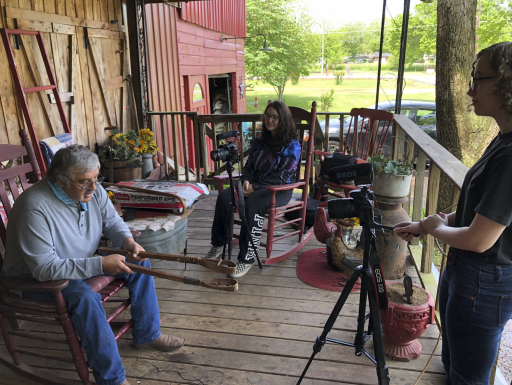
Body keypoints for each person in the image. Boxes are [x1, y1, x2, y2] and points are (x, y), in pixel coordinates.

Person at [2, 145, 185, 385]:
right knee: (84, 297)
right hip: (37, 281)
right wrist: (100, 264)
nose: (94, 187)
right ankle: (112, 379)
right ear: (60, 180)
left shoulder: (91, 190)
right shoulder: (34, 207)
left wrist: (127, 241)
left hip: (80, 263)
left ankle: (147, 333)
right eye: (84, 182)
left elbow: (111, 221)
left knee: (138, 262)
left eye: (96, 178)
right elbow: (44, 269)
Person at [394, 42, 512, 385]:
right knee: (454, 361)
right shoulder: (501, 140)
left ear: (504, 83)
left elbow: (479, 239)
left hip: (484, 281)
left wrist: (432, 228)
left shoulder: (510, 156)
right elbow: (478, 213)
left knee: (467, 376)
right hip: (468, 273)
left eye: (478, 80)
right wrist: (429, 223)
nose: (470, 90)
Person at [205, 100, 302, 278]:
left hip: (278, 190)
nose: (269, 120)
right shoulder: (260, 141)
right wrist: (247, 180)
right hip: (253, 184)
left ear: (283, 120)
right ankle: (218, 244)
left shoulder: (292, 146)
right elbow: (248, 166)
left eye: (275, 117)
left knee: (253, 204)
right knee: (225, 197)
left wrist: (255, 187)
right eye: (267, 116)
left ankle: (246, 258)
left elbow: (284, 176)